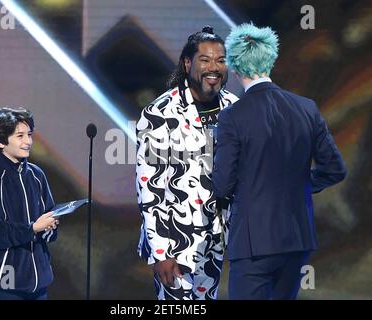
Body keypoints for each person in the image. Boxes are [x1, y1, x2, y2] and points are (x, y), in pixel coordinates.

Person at [212, 23, 346, 300]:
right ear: (270, 60)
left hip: (253, 243)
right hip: (296, 239)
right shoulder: (306, 108)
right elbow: (334, 169)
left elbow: (222, 185)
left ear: (235, 67)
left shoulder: (232, 117)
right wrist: (300, 185)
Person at [136, 26, 238, 300]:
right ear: (188, 62)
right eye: (205, 60)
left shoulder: (235, 108)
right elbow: (150, 188)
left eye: (220, 60)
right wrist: (161, 252)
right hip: (174, 242)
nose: (213, 67)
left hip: (216, 238)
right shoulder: (159, 114)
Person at [0, 107, 59, 300]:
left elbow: (49, 217)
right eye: (20, 136)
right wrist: (33, 228)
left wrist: (50, 227)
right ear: (0, 141)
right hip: (6, 286)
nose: (28, 141)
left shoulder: (37, 175)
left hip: (39, 284)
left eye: (29, 134)